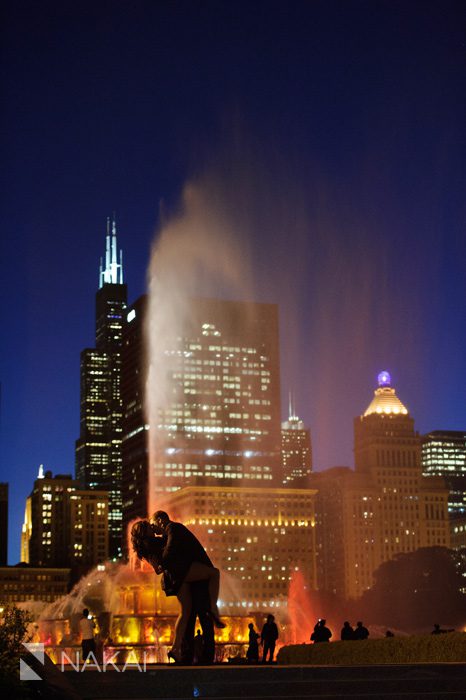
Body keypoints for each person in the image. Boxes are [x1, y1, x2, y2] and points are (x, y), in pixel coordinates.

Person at [181, 580, 215, 665]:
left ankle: (187, 656)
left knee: (189, 624)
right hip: (202, 591)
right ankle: (207, 657)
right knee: (206, 626)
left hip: (193, 590)